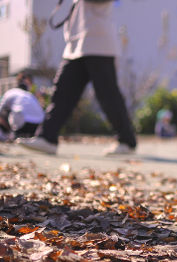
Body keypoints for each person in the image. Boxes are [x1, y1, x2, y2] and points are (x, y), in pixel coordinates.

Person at [17, 0, 137, 155]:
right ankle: (47, 138)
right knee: (61, 93)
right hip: (75, 45)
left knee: (108, 96)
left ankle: (127, 141)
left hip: (99, 45)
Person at [0, 72, 44, 141]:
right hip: (38, 125)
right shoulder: (30, 95)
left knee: (7, 111)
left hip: (21, 124)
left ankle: (9, 135)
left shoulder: (10, 92)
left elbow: (1, 110)